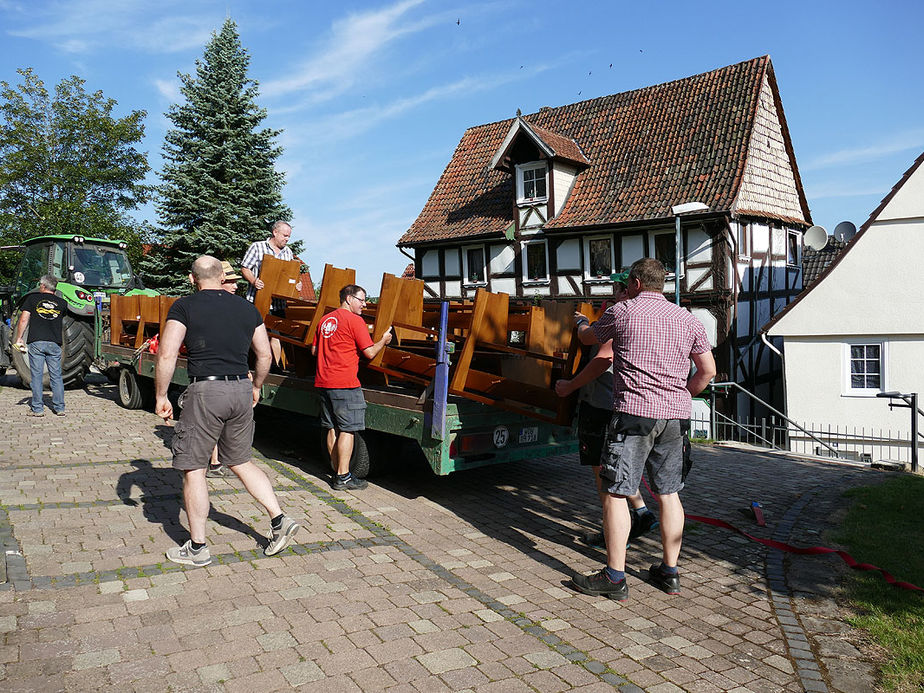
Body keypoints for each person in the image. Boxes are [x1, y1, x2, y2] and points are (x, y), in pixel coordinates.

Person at [569, 258, 716, 600]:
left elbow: (589, 336)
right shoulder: (687, 319)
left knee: (617, 492)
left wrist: (580, 323)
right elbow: (707, 371)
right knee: (668, 494)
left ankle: (615, 577)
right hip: (675, 418)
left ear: (634, 282)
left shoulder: (622, 312)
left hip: (634, 415)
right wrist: (682, 395)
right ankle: (669, 573)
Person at [155, 255, 300, 567]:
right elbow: (264, 355)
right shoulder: (247, 308)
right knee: (242, 461)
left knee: (194, 467)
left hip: (206, 391)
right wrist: (257, 386)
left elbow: (167, 353)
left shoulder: (184, 306)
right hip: (240, 388)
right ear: (221, 276)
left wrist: (161, 394)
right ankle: (278, 520)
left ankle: (197, 548)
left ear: (192, 279)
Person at [554, 272, 657, 548]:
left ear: (626, 290)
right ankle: (641, 512)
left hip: (601, 402)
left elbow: (602, 357)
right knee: (616, 469)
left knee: (604, 475)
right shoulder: (647, 315)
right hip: (624, 403)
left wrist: (571, 384)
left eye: (616, 289)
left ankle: (612, 537)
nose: (612, 294)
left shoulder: (620, 314)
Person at [312, 285, 392, 491]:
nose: (365, 304)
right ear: (349, 298)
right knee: (348, 429)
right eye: (361, 300)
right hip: (345, 384)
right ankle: (343, 477)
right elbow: (370, 353)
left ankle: (336, 469)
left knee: (331, 428)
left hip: (323, 381)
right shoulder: (355, 321)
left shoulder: (324, 320)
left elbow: (314, 350)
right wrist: (383, 340)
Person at [241, 221, 302, 365]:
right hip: (258, 300)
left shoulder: (288, 252)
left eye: (289, 237)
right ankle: (253, 363)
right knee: (258, 334)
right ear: (275, 232)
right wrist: (254, 281)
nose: (287, 239)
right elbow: (245, 268)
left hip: (278, 303)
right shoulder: (258, 247)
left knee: (276, 335)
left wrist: (297, 284)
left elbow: (290, 276)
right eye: (285, 236)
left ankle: (276, 366)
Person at [206, 261, 246, 479]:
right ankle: (214, 463)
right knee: (215, 423)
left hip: (232, 375)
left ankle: (220, 460)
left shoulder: (234, 307)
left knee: (224, 423)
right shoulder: (209, 308)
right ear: (219, 281)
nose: (235, 286)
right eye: (230, 281)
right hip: (212, 376)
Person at [14, 275, 67, 417]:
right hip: (55, 343)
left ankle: (37, 409)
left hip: (36, 342)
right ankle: (60, 408)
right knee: (56, 376)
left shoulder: (32, 299)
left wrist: (19, 338)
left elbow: (24, 319)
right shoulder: (62, 303)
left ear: (43, 286)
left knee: (36, 376)